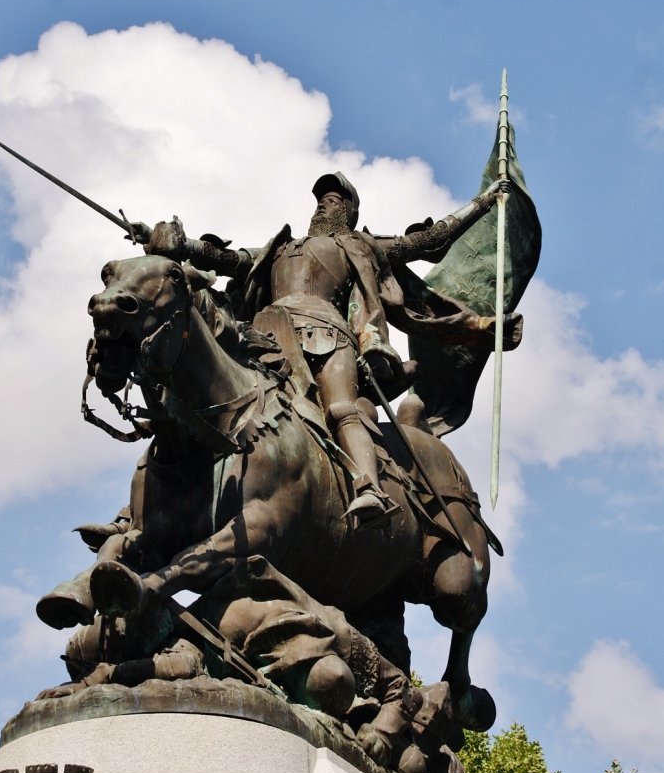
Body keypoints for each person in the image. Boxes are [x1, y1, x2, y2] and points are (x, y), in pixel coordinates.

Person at [129, 171, 510, 525]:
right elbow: (229, 260)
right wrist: (176, 243)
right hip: (265, 339)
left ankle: (370, 488)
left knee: (343, 407)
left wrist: (485, 201)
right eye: (321, 199)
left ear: (348, 210)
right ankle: (138, 512)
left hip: (326, 335)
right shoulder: (281, 248)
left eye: (333, 199)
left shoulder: (359, 245)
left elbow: (429, 240)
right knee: (203, 401)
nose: (322, 205)